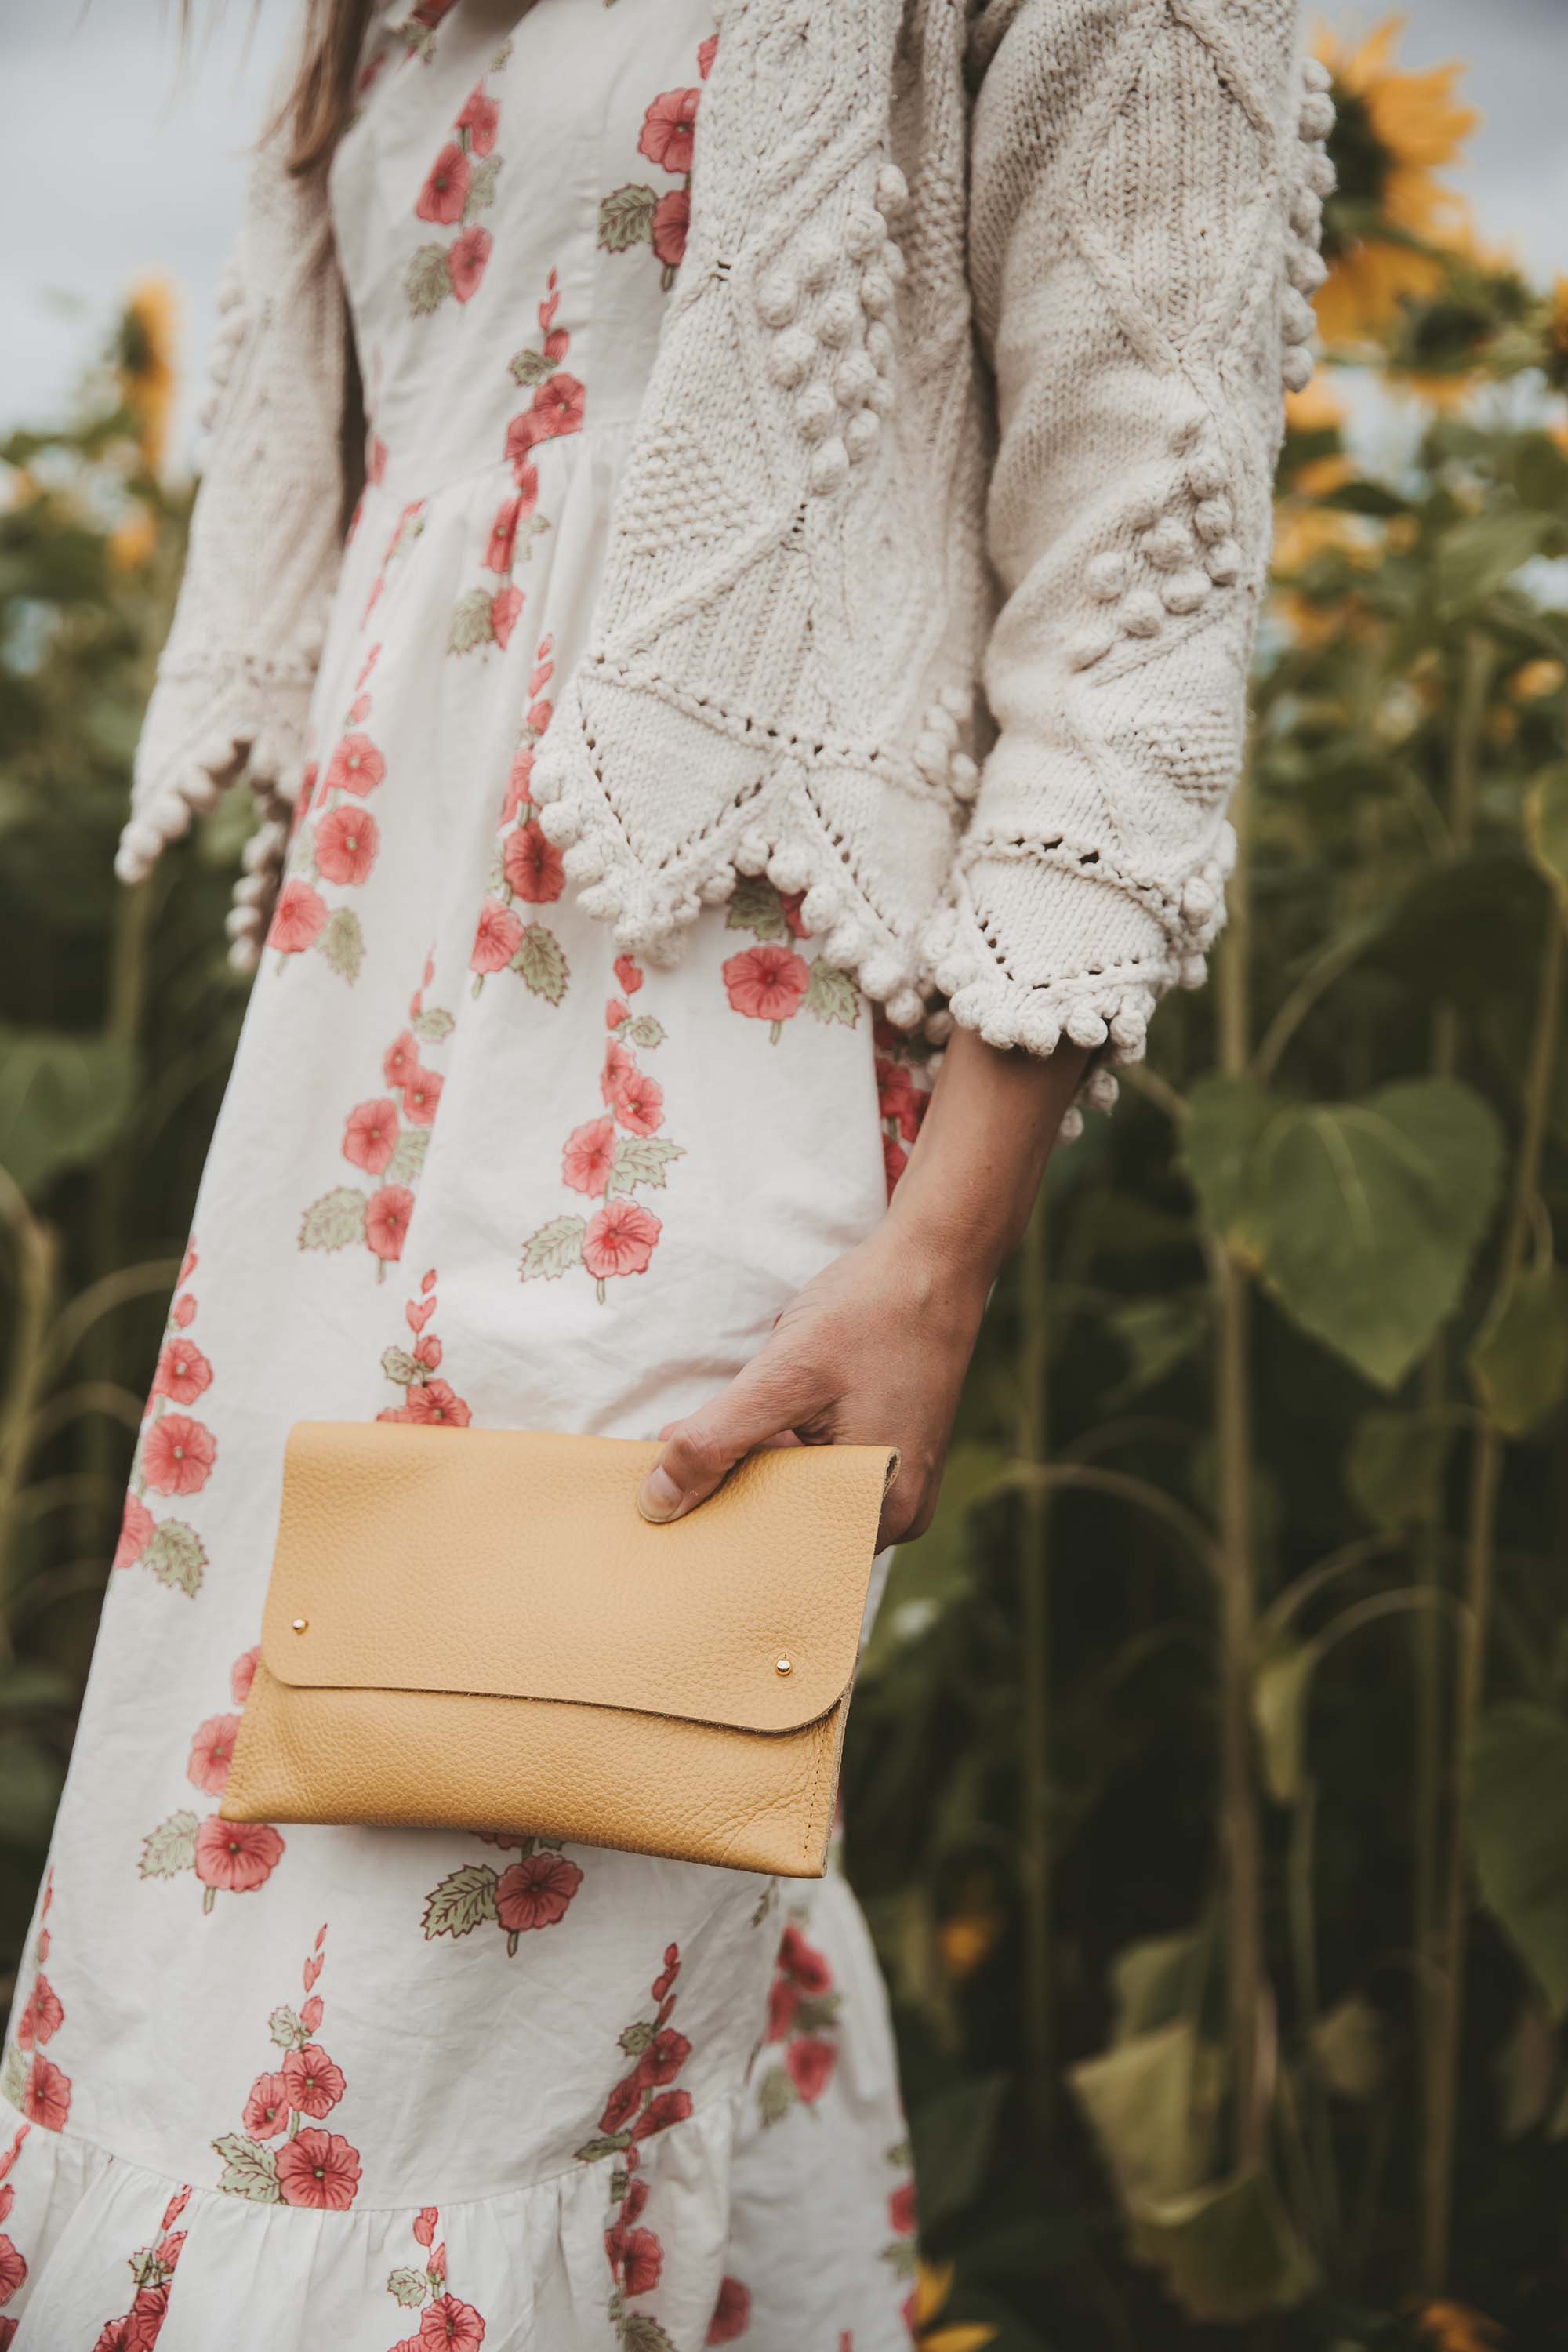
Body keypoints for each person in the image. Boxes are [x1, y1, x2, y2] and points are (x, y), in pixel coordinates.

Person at [1, 1, 1330, 2342]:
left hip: (671, 1131)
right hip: (338, 1139)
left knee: (443, 2015)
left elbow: (1140, 590)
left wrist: (943, 1256)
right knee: (249, 1989)